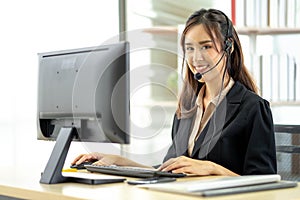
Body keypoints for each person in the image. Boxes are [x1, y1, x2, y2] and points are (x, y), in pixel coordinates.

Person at [71, 8, 277, 176]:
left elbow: (267, 184)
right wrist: (118, 162)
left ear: (228, 48)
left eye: (206, 47)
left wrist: (213, 169)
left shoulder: (253, 108)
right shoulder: (186, 109)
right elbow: (169, 170)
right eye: (190, 48)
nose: (196, 58)